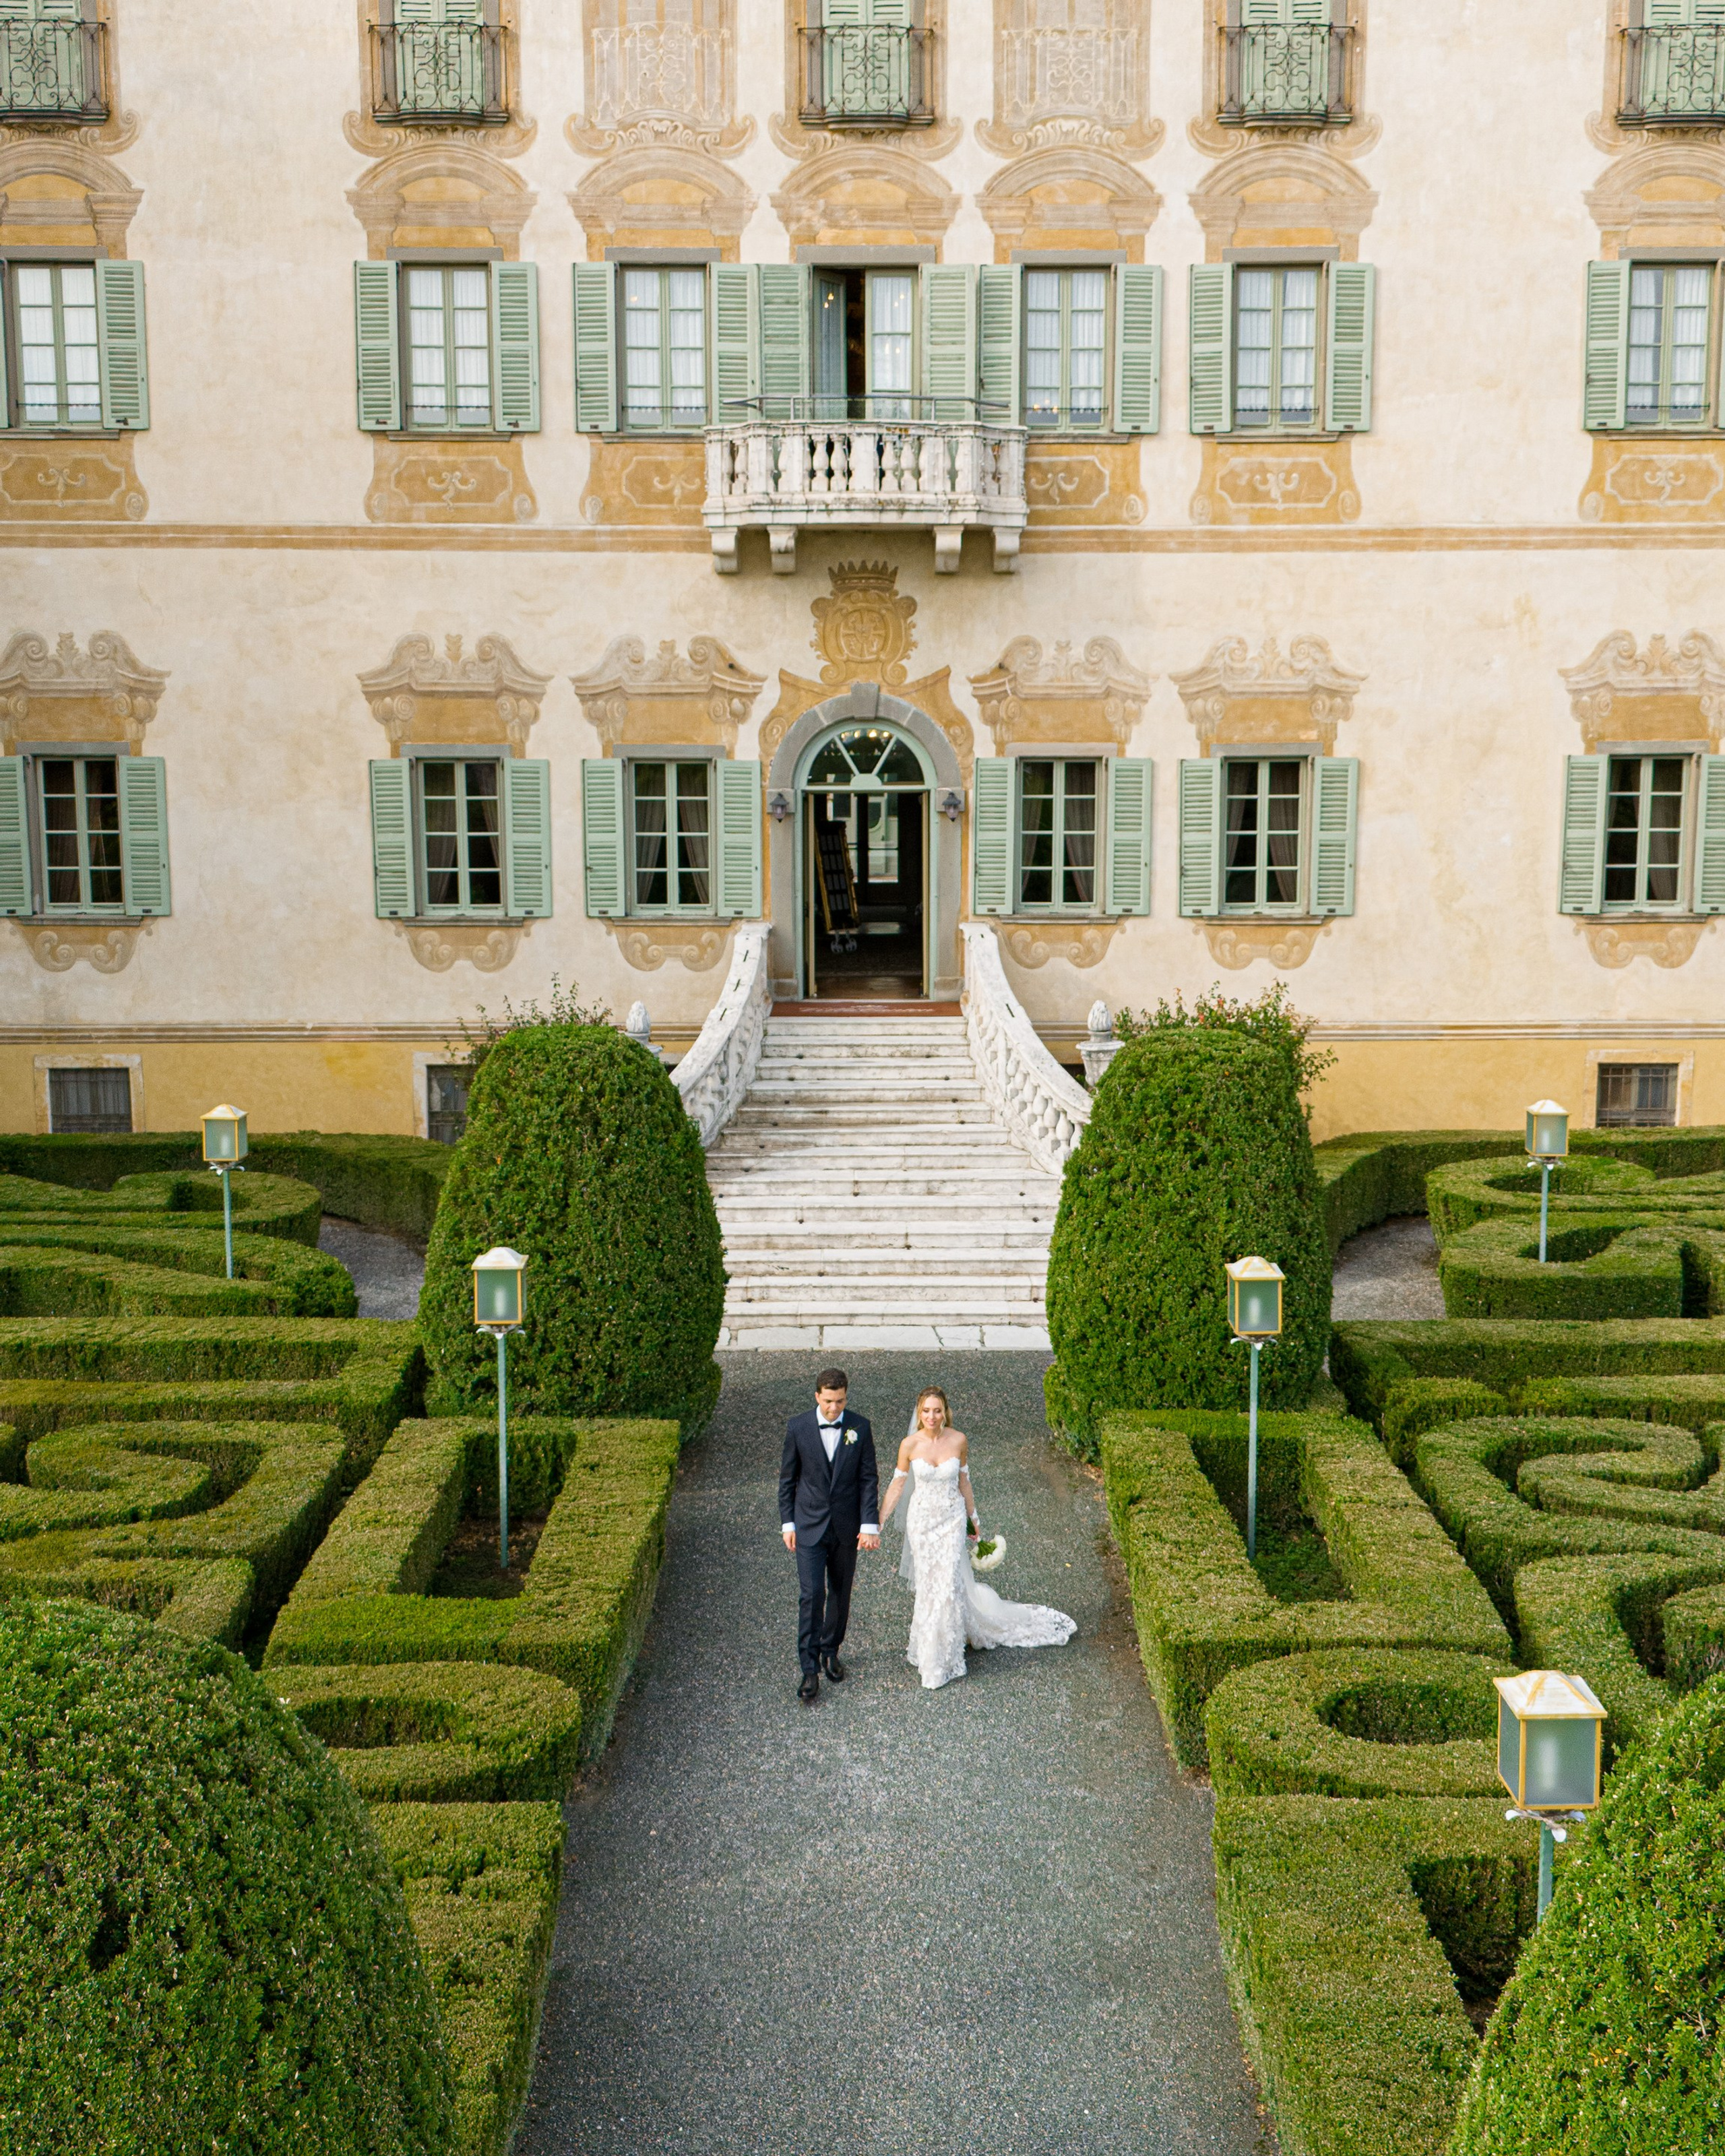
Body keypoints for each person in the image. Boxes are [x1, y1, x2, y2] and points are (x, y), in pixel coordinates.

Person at [877, 1385, 1075, 1691]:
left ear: (946, 1412)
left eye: (938, 1410)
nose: (932, 1416)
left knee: (948, 1584)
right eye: (926, 1411)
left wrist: (974, 1520)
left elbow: (964, 1482)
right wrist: (876, 1523)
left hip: (952, 1520)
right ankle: (930, 1651)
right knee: (930, 1585)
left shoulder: (958, 1441)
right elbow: (896, 1486)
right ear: (920, 1413)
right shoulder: (909, 1445)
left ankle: (946, 1655)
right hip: (923, 1523)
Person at [779, 1367, 880, 1704]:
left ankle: (830, 1650)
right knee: (811, 1595)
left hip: (847, 1527)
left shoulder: (860, 1427)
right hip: (808, 1525)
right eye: (828, 1402)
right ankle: (809, 1668)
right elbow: (788, 1480)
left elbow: (868, 1478)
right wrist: (788, 1524)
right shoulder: (798, 1427)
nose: (834, 1408)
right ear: (817, 1396)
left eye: (840, 1402)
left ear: (846, 1397)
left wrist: (869, 1524)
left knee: (840, 1591)